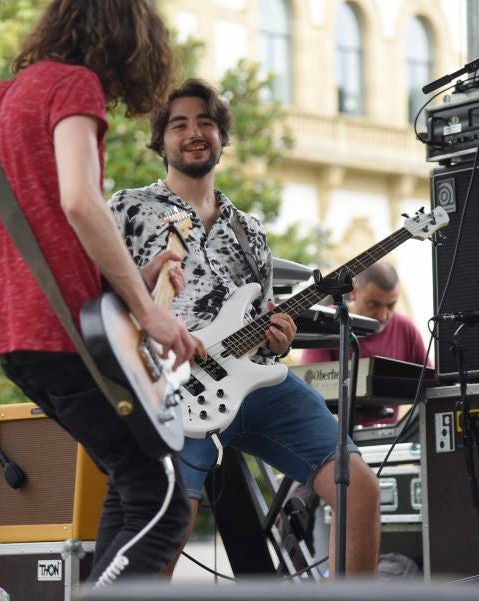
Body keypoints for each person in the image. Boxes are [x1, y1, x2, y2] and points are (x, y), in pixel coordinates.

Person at [0, 0, 198, 581]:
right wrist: (149, 312)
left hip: (16, 334)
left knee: (132, 481)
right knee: (165, 501)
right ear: (123, 38)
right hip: (62, 335)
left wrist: (128, 284)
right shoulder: (74, 84)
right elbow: (79, 200)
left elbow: (32, 233)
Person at [108, 79, 380, 575]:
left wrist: (280, 339)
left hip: (251, 386)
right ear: (160, 141)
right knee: (170, 523)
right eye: (180, 124)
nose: (195, 133)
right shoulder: (129, 209)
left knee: (358, 485)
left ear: (221, 137)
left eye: (206, 123)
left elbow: (260, 317)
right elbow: (97, 299)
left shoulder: (248, 228)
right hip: (170, 388)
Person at [300, 262, 429, 366]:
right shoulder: (325, 321)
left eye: (391, 306)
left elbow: (431, 384)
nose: (383, 315)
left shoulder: (406, 328)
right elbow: (311, 384)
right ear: (354, 293)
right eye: (374, 304)